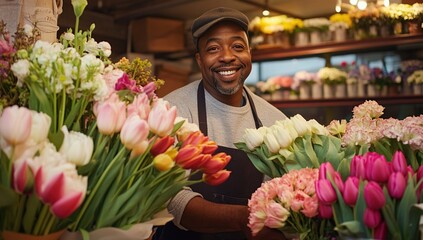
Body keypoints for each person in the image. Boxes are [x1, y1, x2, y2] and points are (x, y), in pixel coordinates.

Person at [155, 7, 288, 240]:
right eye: (213, 48)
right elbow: (170, 198)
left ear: (250, 53)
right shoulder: (170, 111)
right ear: (199, 59)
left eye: (237, 46)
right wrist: (242, 218)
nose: (227, 56)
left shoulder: (275, 121)